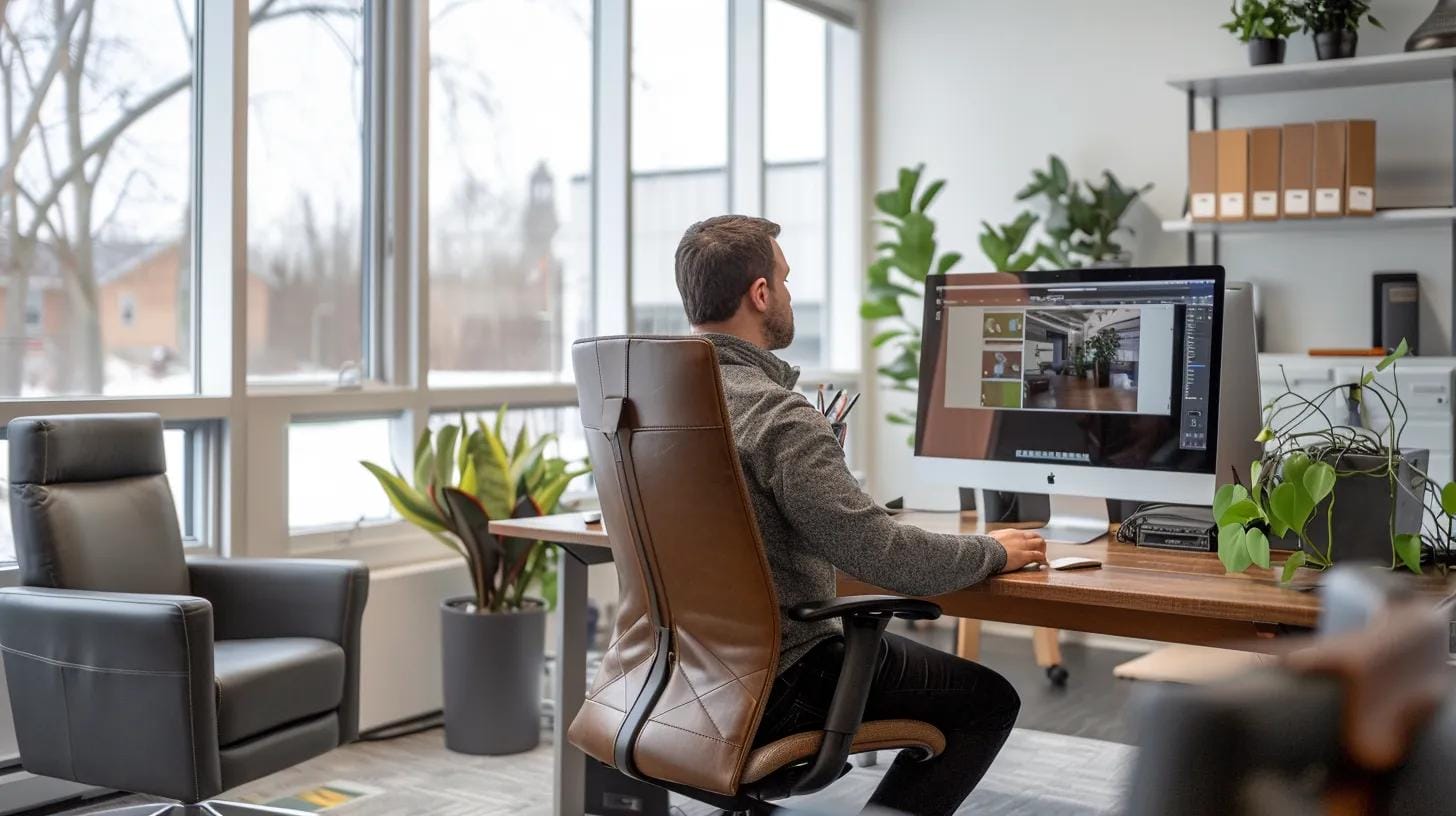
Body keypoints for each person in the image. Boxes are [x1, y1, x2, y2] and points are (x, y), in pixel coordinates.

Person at [673, 215, 1047, 816]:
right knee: (986, 700)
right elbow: (885, 556)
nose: (791, 295)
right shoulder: (777, 416)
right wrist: (995, 551)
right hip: (782, 682)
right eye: (786, 280)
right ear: (760, 294)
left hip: (674, 679)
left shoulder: (652, 406)